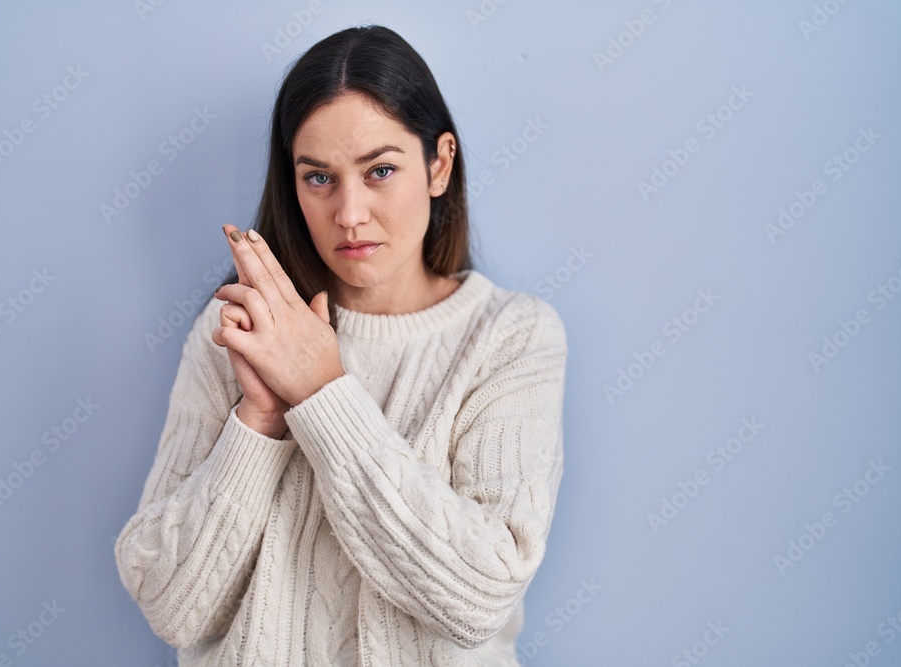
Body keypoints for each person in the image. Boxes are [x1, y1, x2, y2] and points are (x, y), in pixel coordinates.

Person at [114, 24, 568, 667]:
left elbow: (479, 596)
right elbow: (170, 606)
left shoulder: (512, 337)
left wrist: (322, 390)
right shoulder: (236, 333)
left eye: (380, 170)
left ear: (440, 164)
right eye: (319, 178)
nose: (349, 213)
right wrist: (261, 421)